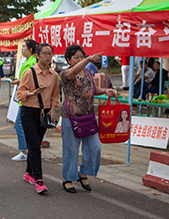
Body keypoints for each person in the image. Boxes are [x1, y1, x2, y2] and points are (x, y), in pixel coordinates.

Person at [60, 45, 115, 194]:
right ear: (68, 60)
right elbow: (73, 72)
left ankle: (83, 173)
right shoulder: (66, 73)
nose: (79, 59)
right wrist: (89, 59)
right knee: (71, 150)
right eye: (76, 57)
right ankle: (68, 178)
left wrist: (104, 90)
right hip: (71, 118)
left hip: (89, 117)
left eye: (81, 57)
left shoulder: (88, 72)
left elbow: (91, 89)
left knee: (95, 147)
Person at [17, 43, 59, 193]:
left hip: (44, 113)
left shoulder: (54, 75)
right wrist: (32, 93)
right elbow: (20, 94)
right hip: (28, 112)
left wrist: (53, 109)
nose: (48, 56)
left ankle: (28, 173)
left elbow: (55, 95)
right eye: (45, 53)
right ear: (37, 55)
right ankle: (39, 180)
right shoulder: (29, 73)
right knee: (35, 146)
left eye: (50, 53)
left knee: (35, 145)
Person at [11, 40, 38, 162]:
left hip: (28, 98)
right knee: (22, 125)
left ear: (30, 49)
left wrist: (19, 82)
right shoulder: (26, 61)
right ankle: (26, 150)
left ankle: (24, 151)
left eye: (24, 47)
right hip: (23, 97)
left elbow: (30, 79)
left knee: (19, 124)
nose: (21, 49)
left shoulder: (33, 61)